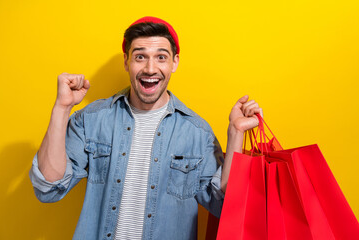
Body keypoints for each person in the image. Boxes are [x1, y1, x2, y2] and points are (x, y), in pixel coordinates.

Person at [29, 16, 263, 240]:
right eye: (140, 57)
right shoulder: (92, 119)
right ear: (126, 61)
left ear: (175, 62)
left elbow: (223, 205)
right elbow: (48, 188)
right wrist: (61, 108)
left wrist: (235, 135)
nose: (151, 68)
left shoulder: (197, 133)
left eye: (161, 57)